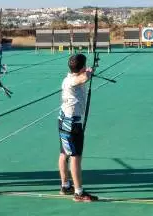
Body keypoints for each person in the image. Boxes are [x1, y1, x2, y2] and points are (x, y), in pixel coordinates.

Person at [58, 54, 98, 202]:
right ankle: (79, 192)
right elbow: (83, 78)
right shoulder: (73, 80)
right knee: (75, 158)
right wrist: (88, 71)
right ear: (81, 68)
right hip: (71, 124)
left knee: (64, 153)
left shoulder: (68, 78)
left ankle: (65, 185)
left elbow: (81, 78)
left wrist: (86, 70)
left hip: (64, 120)